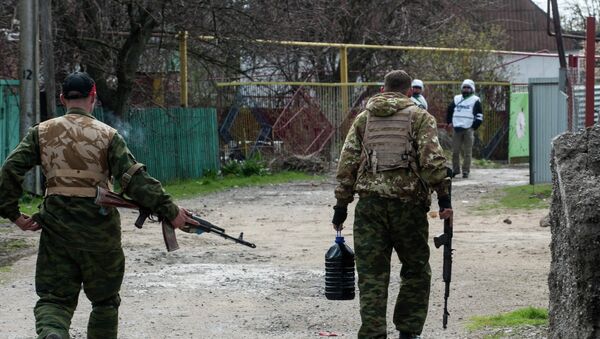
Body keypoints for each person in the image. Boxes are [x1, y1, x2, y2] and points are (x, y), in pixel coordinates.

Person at [0, 72, 198, 339]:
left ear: (62, 99)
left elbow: (10, 168)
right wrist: (171, 211)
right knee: (105, 302)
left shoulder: (41, 133)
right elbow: (135, 180)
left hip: (57, 227)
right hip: (99, 228)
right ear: (93, 98)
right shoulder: (108, 135)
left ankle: (53, 334)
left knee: (54, 300)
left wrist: (13, 214)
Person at [332, 70, 453, 339]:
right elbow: (433, 161)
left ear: (382, 89)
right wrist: (443, 199)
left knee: (372, 273)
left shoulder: (364, 119)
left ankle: (373, 332)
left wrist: (341, 205)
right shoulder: (420, 117)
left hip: (370, 208)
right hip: (408, 207)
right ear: (410, 91)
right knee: (415, 268)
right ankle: (408, 331)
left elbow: (347, 163)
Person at [446, 79, 483, 179]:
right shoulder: (457, 98)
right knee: (455, 151)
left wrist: (473, 127)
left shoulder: (475, 100)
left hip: (468, 129)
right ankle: (455, 170)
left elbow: (479, 115)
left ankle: (466, 171)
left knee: (467, 152)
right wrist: (449, 122)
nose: (466, 89)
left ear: (472, 89)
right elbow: (449, 110)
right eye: (464, 87)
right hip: (457, 128)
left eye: (468, 87)